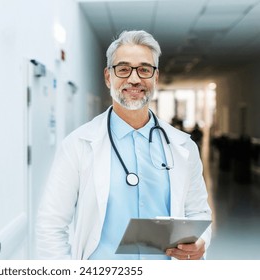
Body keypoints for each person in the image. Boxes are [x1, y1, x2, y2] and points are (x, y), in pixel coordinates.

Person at [36, 30, 212, 260]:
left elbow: (198, 213)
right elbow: (51, 224)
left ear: (155, 78)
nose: (134, 79)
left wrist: (201, 242)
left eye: (144, 69)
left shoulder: (184, 148)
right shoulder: (78, 145)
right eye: (123, 69)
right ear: (109, 77)